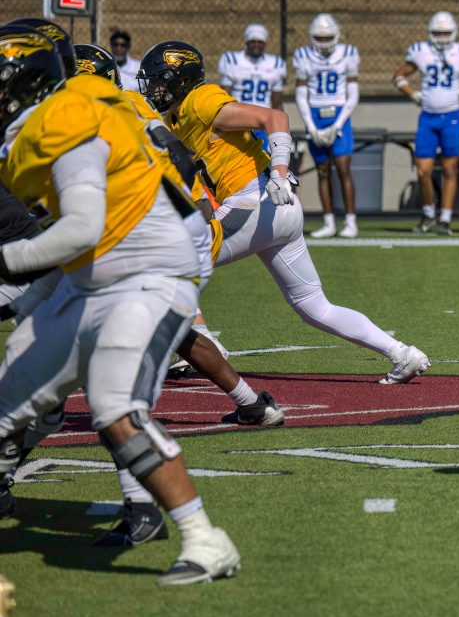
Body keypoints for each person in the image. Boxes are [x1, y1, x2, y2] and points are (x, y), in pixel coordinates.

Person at [0, 27, 242, 584]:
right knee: (9, 401)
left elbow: (81, 227)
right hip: (92, 270)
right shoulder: (59, 112)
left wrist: (8, 262)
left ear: (28, 83)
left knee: (114, 407)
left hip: (147, 271)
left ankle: (206, 540)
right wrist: (33, 296)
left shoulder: (65, 120)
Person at [141, 40, 430, 386]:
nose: (154, 89)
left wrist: (280, 170)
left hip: (257, 200)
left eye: (159, 81)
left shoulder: (201, 100)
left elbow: (274, 117)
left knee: (170, 260)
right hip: (275, 210)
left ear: (181, 79)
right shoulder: (174, 119)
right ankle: (402, 353)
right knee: (314, 306)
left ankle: (206, 344)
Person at [394, 11, 459, 235]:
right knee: (423, 171)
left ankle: (445, 219)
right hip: (428, 117)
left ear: (453, 33)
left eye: (446, 33)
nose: (442, 37)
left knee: (450, 169)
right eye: (438, 33)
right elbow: (399, 76)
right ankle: (428, 213)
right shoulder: (420, 51)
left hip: (452, 117)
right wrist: (412, 94)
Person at [294, 13, 360, 239]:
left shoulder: (348, 53)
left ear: (337, 35)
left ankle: (350, 221)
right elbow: (301, 94)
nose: (324, 43)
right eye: (319, 38)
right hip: (315, 114)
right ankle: (329, 222)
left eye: (328, 38)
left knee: (343, 168)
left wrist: (338, 124)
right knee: (322, 171)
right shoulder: (303, 55)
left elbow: (353, 94)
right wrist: (311, 127)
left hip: (339, 112)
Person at [219, 24, 287, 130]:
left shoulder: (276, 64)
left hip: (263, 119)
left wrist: (282, 127)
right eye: (252, 41)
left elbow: (277, 103)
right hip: (238, 118)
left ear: (265, 44)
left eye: (260, 42)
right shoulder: (232, 60)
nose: (256, 45)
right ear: (246, 42)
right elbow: (224, 97)